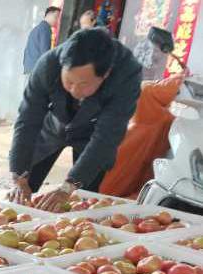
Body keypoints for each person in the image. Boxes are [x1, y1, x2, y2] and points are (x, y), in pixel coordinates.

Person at [8, 28, 142, 211]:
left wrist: (68, 186)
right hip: (54, 124)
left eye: (84, 84)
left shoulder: (127, 75)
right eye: (69, 82)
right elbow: (27, 119)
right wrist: (18, 175)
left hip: (93, 134)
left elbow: (107, 136)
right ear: (61, 67)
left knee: (84, 198)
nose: (75, 91)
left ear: (106, 74)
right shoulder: (48, 64)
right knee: (22, 186)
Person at [99, 74, 185, 197]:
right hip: (135, 177)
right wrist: (181, 80)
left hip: (114, 181)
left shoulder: (150, 112)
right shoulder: (162, 116)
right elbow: (164, 89)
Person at [23, 7, 61, 75]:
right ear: (49, 14)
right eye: (56, 16)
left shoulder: (37, 28)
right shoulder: (45, 29)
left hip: (29, 69)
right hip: (37, 71)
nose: (57, 20)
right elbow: (45, 53)